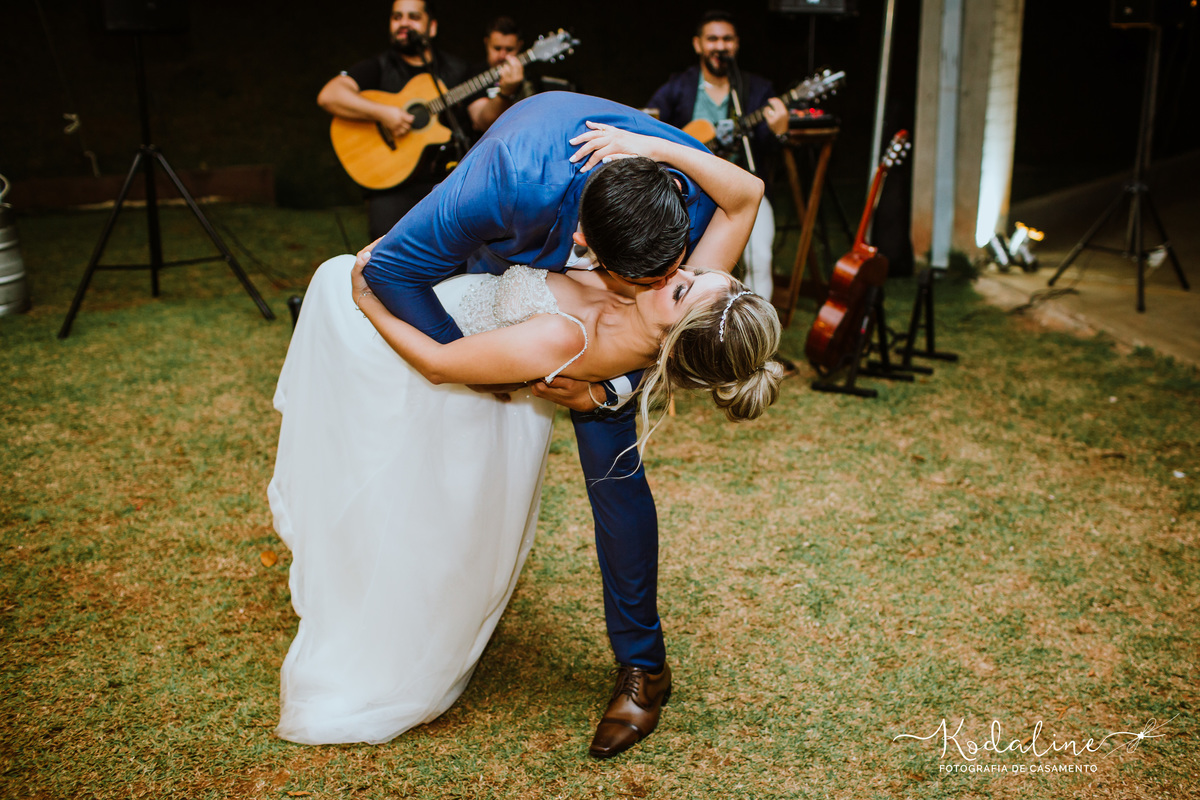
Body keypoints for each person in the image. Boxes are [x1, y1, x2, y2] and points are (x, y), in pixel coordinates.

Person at [275, 92, 781, 757]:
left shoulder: (681, 260)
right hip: (510, 283)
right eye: (671, 275)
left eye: (677, 277)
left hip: (594, 346)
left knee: (618, 484)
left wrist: (602, 393)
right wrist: (497, 374)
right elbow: (397, 274)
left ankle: (644, 670)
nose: (680, 273)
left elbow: (735, 214)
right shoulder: (515, 181)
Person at [646, 9, 791, 302]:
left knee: (760, 257)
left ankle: (755, 331)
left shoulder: (755, 90)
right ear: (698, 44)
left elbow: (767, 148)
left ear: (736, 45)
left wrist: (779, 131)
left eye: (727, 39)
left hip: (743, 190)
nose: (720, 46)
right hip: (686, 193)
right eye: (712, 39)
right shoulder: (679, 86)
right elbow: (650, 121)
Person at [317, 0, 470, 240]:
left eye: (413, 17)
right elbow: (330, 95)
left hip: (446, 184)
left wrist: (504, 92)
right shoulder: (379, 67)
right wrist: (383, 113)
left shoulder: (457, 71)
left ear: (432, 27)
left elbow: (483, 115)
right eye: (397, 17)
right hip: (391, 187)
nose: (403, 23)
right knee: (388, 260)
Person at [465, 16, 530, 136]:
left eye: (509, 49)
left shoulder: (528, 77)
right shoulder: (475, 74)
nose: (502, 56)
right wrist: (505, 92)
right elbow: (482, 123)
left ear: (519, 46)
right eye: (497, 48)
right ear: (486, 43)